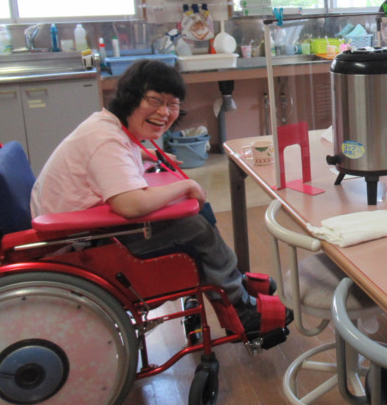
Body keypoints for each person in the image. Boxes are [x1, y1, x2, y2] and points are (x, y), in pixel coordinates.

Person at [30, 59, 291, 341]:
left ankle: (233, 283)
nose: (164, 112)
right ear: (130, 98)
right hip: (79, 244)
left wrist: (145, 154)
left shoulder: (105, 126)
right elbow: (129, 204)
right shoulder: (105, 140)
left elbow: (115, 159)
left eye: (172, 103)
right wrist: (185, 186)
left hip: (82, 230)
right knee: (194, 227)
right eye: (154, 100)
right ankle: (238, 306)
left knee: (199, 214)